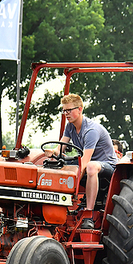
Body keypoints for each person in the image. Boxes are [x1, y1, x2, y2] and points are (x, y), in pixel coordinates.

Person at [45, 94, 117, 229]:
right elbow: (61, 147)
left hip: (108, 166)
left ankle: (88, 213)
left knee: (90, 166)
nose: (66, 114)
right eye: (64, 111)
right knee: (55, 164)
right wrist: (52, 153)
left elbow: (85, 161)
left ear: (80, 109)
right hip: (90, 164)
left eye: (69, 110)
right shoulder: (70, 126)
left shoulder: (91, 130)